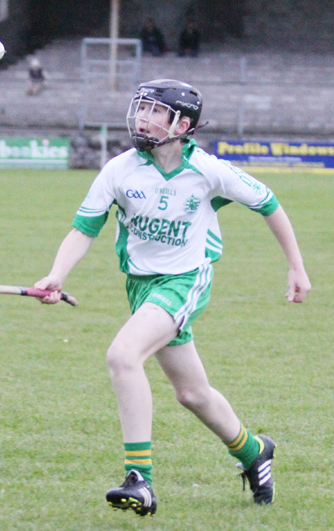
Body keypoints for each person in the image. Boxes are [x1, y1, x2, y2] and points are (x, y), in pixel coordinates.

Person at [34, 79, 311, 516]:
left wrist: (296, 266)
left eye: (153, 111)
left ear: (182, 124)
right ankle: (254, 450)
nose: (141, 118)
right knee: (192, 394)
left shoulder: (208, 170)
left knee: (123, 356)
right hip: (142, 285)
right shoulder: (120, 169)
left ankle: (138, 478)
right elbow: (84, 229)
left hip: (185, 280)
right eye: (140, 109)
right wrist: (56, 274)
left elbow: (269, 203)